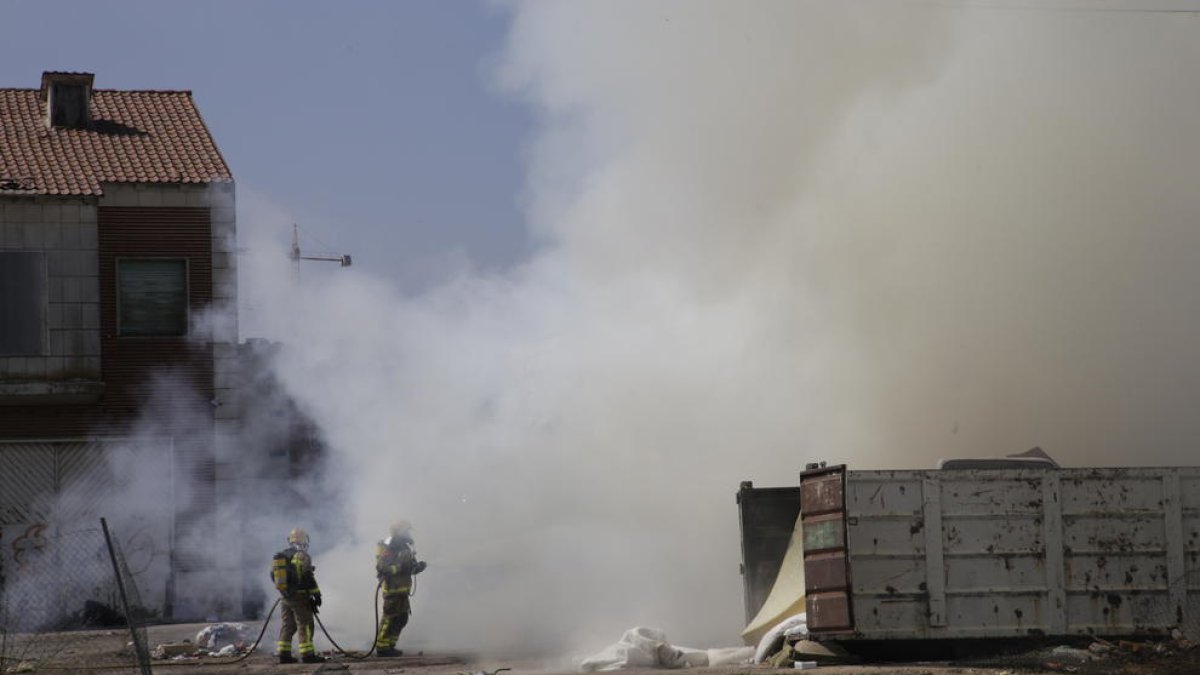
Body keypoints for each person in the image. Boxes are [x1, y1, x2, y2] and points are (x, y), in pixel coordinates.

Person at [373, 520, 427, 657]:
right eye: (406, 530)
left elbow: (410, 568)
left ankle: (390, 645)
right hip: (392, 589)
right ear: (399, 532)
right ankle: (382, 647)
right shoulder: (391, 547)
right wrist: (399, 568)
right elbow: (381, 567)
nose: (408, 533)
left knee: (402, 618)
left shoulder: (405, 548)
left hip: (403, 590)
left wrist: (417, 568)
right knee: (390, 618)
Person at [271, 527, 324, 664]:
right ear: (305, 541)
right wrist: (316, 594)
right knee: (305, 624)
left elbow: (273, 575)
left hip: (285, 597)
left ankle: (283, 654)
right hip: (299, 597)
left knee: (288, 625)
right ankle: (307, 654)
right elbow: (308, 577)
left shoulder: (282, 555)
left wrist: (285, 592)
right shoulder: (303, 556)